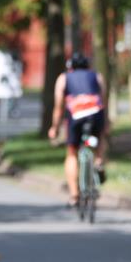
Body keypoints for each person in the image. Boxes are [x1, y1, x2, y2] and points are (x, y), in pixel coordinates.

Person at [47, 52, 108, 207]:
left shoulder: (64, 78)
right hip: (95, 112)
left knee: (72, 152)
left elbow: (59, 106)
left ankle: (74, 195)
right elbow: (103, 99)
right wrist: (106, 123)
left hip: (76, 115)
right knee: (99, 138)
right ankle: (99, 161)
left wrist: (54, 127)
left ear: (70, 66)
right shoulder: (97, 76)